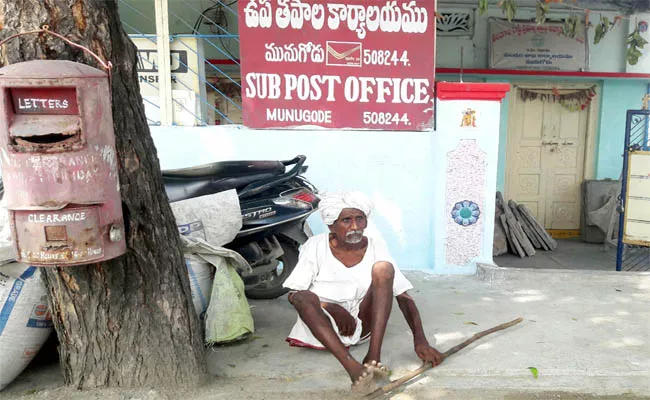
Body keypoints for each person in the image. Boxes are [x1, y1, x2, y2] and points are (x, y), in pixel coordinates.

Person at [283, 192, 443, 394]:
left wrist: (420, 339)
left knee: (383, 269)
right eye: (346, 220)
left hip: (361, 320)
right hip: (323, 323)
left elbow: (402, 295)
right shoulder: (315, 246)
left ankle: (373, 358)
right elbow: (294, 294)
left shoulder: (375, 245)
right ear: (331, 225)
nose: (355, 226)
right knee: (303, 296)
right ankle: (353, 368)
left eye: (360, 219)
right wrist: (329, 306)